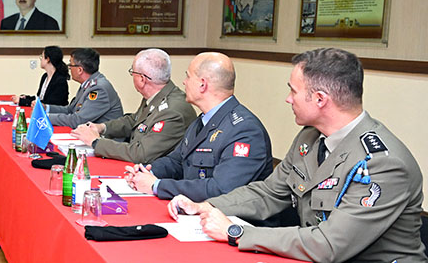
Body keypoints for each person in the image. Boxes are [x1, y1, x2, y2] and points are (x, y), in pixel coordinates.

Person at [170, 48, 426, 262]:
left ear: (320, 99)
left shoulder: (382, 163)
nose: (288, 99)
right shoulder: (310, 138)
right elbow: (269, 193)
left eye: (293, 91)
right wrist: (206, 206)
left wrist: (236, 232)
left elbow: (329, 245)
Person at [125, 52, 273, 202]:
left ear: (202, 84)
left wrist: (157, 185)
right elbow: (176, 162)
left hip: (233, 221)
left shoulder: (245, 130)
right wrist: (146, 171)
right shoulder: (203, 120)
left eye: (188, 76)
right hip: (197, 211)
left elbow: (221, 189)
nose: (184, 82)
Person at [73, 48, 196, 164]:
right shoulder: (157, 95)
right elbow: (135, 120)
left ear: (142, 79)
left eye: (133, 72)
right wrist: (102, 127)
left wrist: (96, 142)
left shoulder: (172, 111)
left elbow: (140, 154)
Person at [37, 48, 122, 128]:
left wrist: (45, 117)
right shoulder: (88, 84)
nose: (69, 68)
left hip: (103, 139)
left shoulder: (99, 89)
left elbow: (78, 120)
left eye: (71, 64)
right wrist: (46, 108)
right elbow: (70, 109)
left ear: (80, 70)